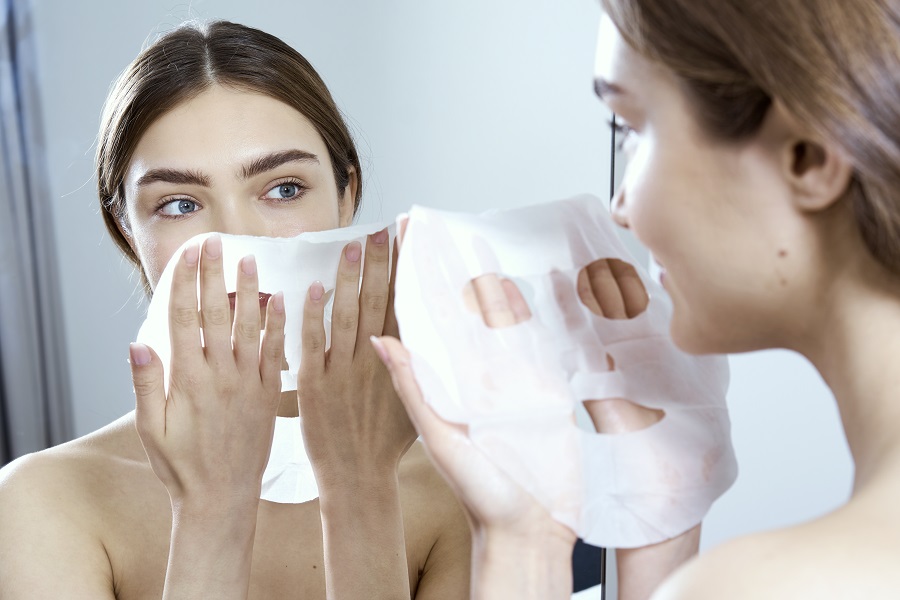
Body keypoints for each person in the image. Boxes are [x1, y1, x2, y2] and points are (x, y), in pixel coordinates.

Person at [373, 0, 900, 598]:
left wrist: (525, 547)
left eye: (633, 128)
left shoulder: (766, 583)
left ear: (808, 156)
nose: (621, 206)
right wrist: (661, 525)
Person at [0, 21, 471, 599]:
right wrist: (211, 512)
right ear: (126, 234)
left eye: (284, 190)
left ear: (347, 196)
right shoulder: (44, 503)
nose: (238, 239)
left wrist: (361, 490)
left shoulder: (463, 490)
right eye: (179, 203)